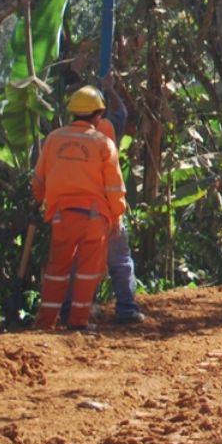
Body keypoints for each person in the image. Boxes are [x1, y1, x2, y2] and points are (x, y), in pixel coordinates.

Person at [32, 85, 126, 331]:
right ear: (98, 116)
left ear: (72, 112)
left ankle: (45, 322)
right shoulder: (104, 144)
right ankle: (78, 321)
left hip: (62, 215)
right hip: (95, 218)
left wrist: (39, 202)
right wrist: (116, 216)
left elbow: (39, 179)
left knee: (56, 269)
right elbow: (114, 187)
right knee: (87, 271)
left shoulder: (54, 139)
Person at [89, 85, 145, 324]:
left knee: (83, 261)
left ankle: (84, 308)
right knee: (120, 260)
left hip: (78, 210)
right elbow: (122, 111)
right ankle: (126, 308)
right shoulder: (109, 128)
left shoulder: (65, 134)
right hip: (108, 208)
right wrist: (111, 85)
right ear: (100, 111)